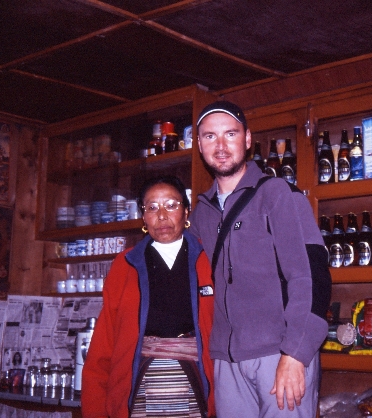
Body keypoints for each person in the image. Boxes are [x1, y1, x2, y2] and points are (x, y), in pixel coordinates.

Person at [189, 101, 332, 417]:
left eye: (231, 134)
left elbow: (312, 275)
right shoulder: (201, 214)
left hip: (280, 354)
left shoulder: (278, 194)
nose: (222, 146)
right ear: (199, 145)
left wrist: (295, 354)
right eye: (210, 137)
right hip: (226, 361)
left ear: (248, 139)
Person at [82, 175, 215, 418]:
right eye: (152, 207)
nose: (162, 215)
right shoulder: (125, 264)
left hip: (197, 384)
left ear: (186, 212)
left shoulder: (208, 259)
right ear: (143, 217)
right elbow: (105, 341)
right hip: (139, 385)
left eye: (172, 205)